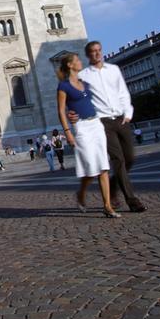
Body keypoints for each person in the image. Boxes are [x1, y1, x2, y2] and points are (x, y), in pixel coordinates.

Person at [75, 41, 146, 213]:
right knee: (118, 160)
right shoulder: (83, 76)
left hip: (121, 119)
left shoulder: (113, 70)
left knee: (130, 157)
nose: (97, 54)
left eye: (99, 50)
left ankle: (113, 185)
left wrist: (128, 113)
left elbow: (123, 91)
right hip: (102, 122)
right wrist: (74, 114)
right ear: (88, 55)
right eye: (93, 51)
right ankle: (132, 200)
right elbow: (79, 99)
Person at [57, 52, 120, 218]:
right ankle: (81, 194)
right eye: (77, 60)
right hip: (81, 128)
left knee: (103, 166)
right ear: (70, 65)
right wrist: (68, 132)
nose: (80, 62)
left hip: (95, 124)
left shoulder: (85, 82)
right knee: (91, 169)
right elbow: (61, 111)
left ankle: (107, 206)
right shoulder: (63, 86)